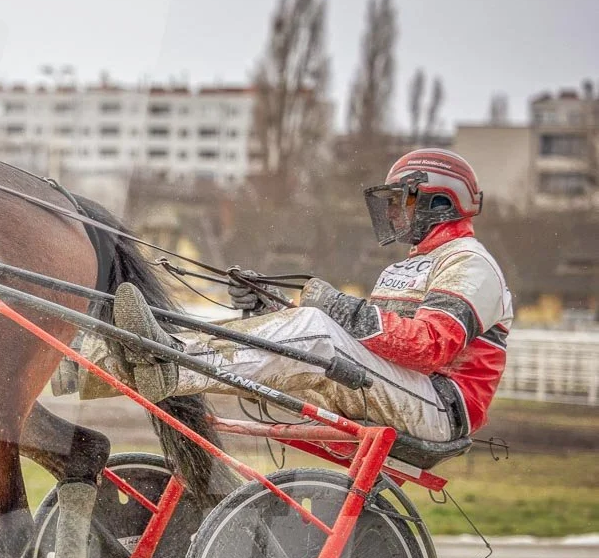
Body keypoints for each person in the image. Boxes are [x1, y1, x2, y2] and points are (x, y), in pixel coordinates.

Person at [94, 148, 513, 442]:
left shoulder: (469, 262)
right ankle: (94, 366)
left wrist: (336, 306)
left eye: (402, 201)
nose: (392, 212)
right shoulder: (405, 266)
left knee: (316, 331)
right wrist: (266, 306)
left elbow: (428, 348)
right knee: (299, 336)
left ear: (440, 202)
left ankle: (173, 366)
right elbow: (363, 343)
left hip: (440, 404)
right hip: (402, 388)